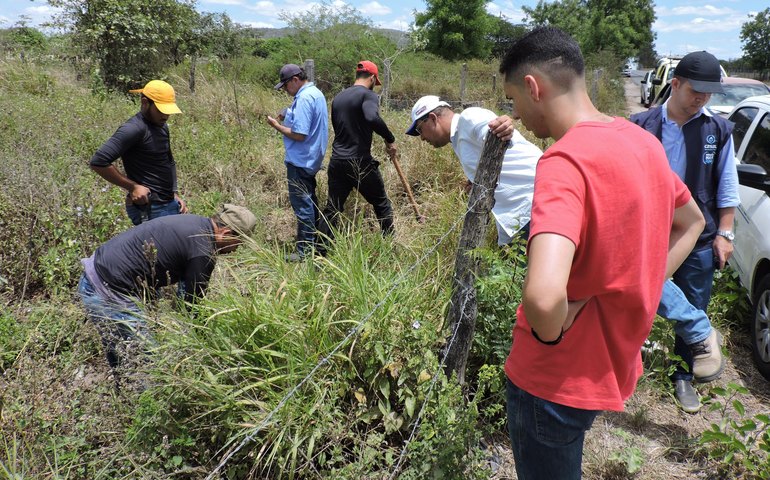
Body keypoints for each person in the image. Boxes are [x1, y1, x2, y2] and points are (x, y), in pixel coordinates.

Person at [499, 27, 705, 479]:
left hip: (553, 378)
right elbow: (693, 222)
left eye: (513, 98)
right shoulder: (642, 142)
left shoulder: (563, 160)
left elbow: (543, 297)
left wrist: (551, 331)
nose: (516, 113)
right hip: (611, 364)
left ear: (534, 87)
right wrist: (645, 282)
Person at [631, 50, 736, 413]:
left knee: (693, 301)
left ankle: (683, 376)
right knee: (637, 293)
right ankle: (627, 364)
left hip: (698, 235)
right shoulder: (640, 126)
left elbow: (727, 186)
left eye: (709, 93)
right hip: (646, 230)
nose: (702, 99)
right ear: (675, 84)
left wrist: (725, 233)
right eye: (696, 91)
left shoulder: (717, 130)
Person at [77, 204, 257, 369]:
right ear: (225, 234)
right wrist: (208, 348)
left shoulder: (195, 222)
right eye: (238, 242)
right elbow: (191, 309)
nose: (237, 249)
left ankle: (122, 387)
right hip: (108, 289)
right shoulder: (203, 251)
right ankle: (140, 398)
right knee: (149, 362)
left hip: (95, 271)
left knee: (119, 347)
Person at [405, 95, 541, 244]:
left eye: (420, 130)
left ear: (432, 118)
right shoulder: (458, 138)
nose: (422, 138)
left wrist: (503, 127)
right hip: (516, 215)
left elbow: (494, 134)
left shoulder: (469, 118)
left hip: (532, 203)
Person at [317, 61, 396, 249]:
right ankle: (389, 247)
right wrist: (390, 139)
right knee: (381, 203)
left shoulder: (338, 98)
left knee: (332, 208)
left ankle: (320, 254)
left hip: (337, 161)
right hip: (359, 162)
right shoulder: (368, 95)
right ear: (372, 78)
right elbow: (372, 117)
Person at [90, 80, 188, 225]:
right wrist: (133, 187)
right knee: (155, 247)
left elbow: (168, 160)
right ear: (145, 103)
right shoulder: (134, 129)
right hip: (151, 207)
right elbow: (98, 162)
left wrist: (174, 193)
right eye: (161, 110)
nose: (166, 116)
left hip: (169, 203)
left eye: (168, 111)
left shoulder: (162, 126)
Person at [267, 64, 329, 261]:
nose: (285, 90)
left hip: (300, 160)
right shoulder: (315, 93)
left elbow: (299, 134)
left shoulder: (303, 98)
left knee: (303, 206)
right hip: (311, 159)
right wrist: (288, 111)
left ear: (295, 80)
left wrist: (277, 126)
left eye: (285, 85)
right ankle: (317, 244)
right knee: (310, 203)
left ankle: (305, 252)